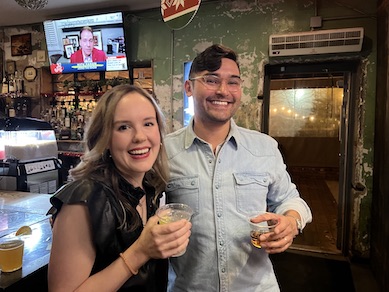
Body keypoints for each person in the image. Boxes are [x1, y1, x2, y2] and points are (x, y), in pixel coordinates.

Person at [164, 44, 312, 291]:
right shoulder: (164, 152)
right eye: (211, 80)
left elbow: (291, 200)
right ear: (189, 87)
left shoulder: (264, 147)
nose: (223, 91)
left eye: (233, 82)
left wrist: (290, 221)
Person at [47, 84, 192, 291]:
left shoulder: (150, 187)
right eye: (124, 127)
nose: (140, 137)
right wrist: (141, 251)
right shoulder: (83, 200)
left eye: (148, 124)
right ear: (105, 138)